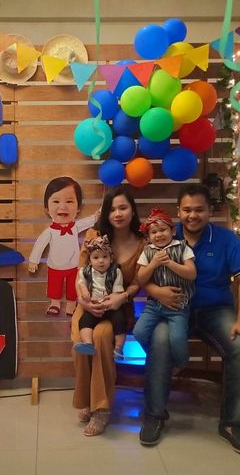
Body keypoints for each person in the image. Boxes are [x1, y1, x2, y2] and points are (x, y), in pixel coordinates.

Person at [139, 184, 240, 455]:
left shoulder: (226, 239)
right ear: (178, 212)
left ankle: (232, 424)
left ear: (210, 211)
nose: (193, 215)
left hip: (214, 310)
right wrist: (157, 292)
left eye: (199, 210)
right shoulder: (164, 234)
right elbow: (142, 273)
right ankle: (155, 415)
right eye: (187, 210)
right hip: (172, 308)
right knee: (159, 340)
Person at [71, 185, 145, 437]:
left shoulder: (142, 244)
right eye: (112, 209)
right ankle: (86, 400)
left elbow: (138, 282)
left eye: (123, 207)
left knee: (102, 338)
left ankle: (101, 409)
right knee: (83, 339)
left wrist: (122, 296)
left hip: (118, 309)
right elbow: (79, 273)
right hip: (88, 305)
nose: (117, 213)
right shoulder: (95, 235)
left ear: (133, 210)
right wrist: (84, 300)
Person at [132, 207, 196, 370]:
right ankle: (154, 354)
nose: (159, 235)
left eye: (163, 230)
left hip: (178, 305)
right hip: (154, 305)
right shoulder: (148, 252)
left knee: (177, 339)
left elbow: (191, 273)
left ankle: (180, 364)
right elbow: (140, 278)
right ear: (148, 237)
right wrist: (153, 264)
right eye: (153, 232)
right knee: (138, 332)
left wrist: (170, 263)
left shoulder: (182, 247)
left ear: (173, 231)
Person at [28, 177, 97, 317]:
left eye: (69, 201)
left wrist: (98, 215)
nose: (63, 206)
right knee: (54, 285)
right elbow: (40, 244)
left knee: (73, 286)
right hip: (55, 266)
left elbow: (90, 221)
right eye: (56, 201)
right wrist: (33, 260)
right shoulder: (49, 232)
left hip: (73, 265)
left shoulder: (76, 226)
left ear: (78, 208)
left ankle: (71, 305)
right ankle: (55, 303)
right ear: (47, 208)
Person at [75, 235, 127, 358]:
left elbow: (117, 291)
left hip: (110, 305)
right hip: (93, 305)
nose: (101, 261)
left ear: (111, 258)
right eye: (96, 258)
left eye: (105, 257)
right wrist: (84, 291)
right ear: (90, 260)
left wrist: (111, 301)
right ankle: (88, 344)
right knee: (84, 321)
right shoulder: (85, 271)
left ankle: (119, 347)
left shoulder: (116, 272)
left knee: (120, 321)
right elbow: (81, 283)